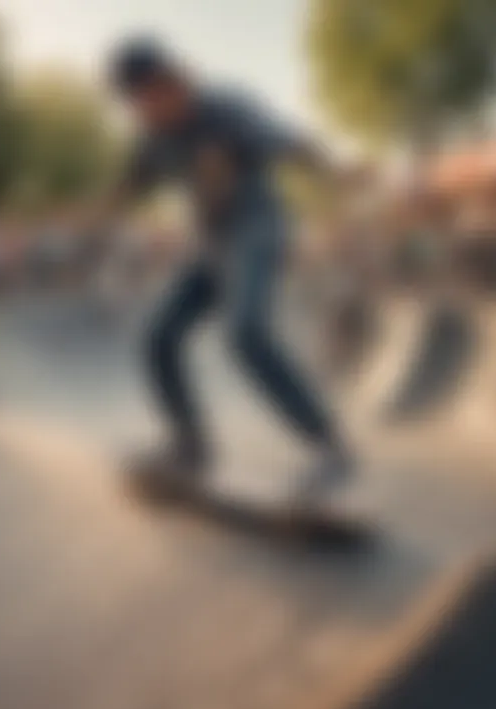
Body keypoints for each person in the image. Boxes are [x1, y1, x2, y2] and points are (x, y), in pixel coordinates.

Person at [94, 37, 355, 503]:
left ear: (173, 81)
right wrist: (98, 214)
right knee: (157, 337)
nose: (148, 111)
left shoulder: (226, 107)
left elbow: (289, 141)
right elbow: (130, 183)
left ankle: (328, 445)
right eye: (137, 104)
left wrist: (333, 172)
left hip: (258, 231)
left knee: (244, 333)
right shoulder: (153, 136)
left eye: (153, 95)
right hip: (210, 247)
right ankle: (190, 445)